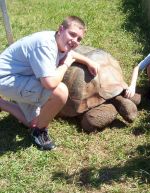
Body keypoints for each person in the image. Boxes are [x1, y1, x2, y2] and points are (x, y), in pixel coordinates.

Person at [0, 16, 99, 150]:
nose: (74, 41)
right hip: (7, 78)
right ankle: (39, 132)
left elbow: (71, 54)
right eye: (72, 34)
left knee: (35, 122)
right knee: (60, 92)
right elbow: (50, 84)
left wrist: (89, 61)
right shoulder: (45, 45)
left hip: (24, 76)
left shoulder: (59, 42)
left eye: (79, 39)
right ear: (61, 29)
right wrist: (64, 65)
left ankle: (2, 104)